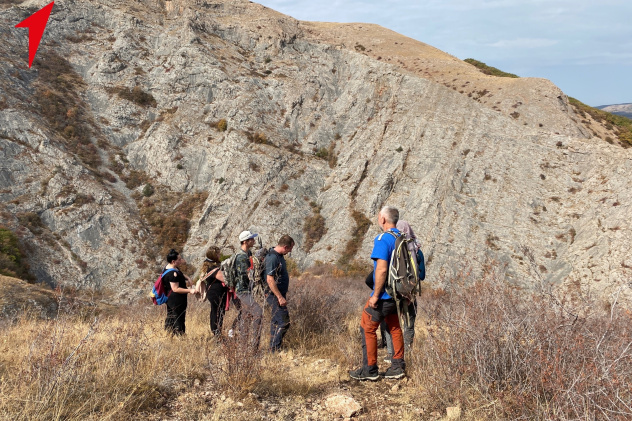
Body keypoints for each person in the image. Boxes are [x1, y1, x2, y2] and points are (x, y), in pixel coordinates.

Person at [349, 206, 406, 381]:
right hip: (399, 295)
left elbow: (381, 270)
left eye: (378, 217)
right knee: (395, 328)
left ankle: (370, 369)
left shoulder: (383, 239)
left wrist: (375, 295)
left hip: (385, 295)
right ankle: (397, 367)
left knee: (367, 327)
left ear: (382, 219)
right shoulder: (402, 238)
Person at [381, 219, 423, 362]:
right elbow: (421, 275)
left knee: (390, 322)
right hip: (410, 294)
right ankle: (407, 352)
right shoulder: (417, 250)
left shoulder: (391, 247)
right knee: (409, 323)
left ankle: (390, 353)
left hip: (392, 292)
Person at [264, 234, 295, 353]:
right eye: (290, 248)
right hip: (273, 296)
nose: (291, 251)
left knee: (276, 322)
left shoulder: (280, 256)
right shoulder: (272, 257)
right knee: (284, 322)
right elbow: (269, 279)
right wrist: (279, 297)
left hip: (278, 295)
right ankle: (274, 348)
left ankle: (272, 350)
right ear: (285, 247)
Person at [234, 230, 263, 349]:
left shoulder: (248, 253)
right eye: (251, 239)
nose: (254, 241)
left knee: (245, 317)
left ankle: (244, 347)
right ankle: (253, 347)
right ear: (245, 241)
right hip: (242, 291)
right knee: (258, 312)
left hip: (246, 291)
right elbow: (242, 276)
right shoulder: (241, 257)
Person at [197, 246, 229, 336]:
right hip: (217, 293)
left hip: (213, 292)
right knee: (218, 313)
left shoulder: (208, 265)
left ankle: (216, 332)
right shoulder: (213, 268)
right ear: (214, 255)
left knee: (215, 312)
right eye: (218, 253)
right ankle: (217, 333)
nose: (219, 255)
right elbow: (225, 279)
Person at [163, 249, 195, 336]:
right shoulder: (173, 274)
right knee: (178, 317)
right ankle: (180, 335)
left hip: (171, 298)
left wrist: (187, 277)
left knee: (171, 316)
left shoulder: (169, 268)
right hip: (176, 299)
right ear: (173, 261)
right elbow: (175, 289)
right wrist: (190, 290)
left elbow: (179, 273)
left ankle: (169, 334)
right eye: (179, 259)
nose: (181, 261)